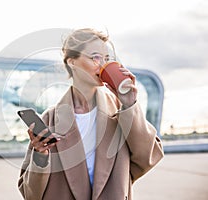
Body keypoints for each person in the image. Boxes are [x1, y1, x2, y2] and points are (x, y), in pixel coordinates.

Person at [18, 28, 164, 200]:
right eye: (96, 57)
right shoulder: (50, 119)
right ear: (72, 62)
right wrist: (41, 155)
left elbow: (149, 156)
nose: (103, 65)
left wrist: (130, 104)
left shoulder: (122, 111)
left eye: (107, 59)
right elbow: (30, 194)